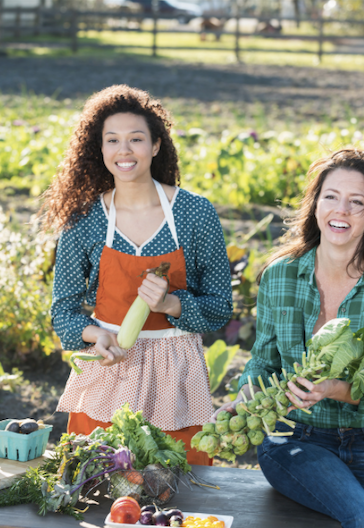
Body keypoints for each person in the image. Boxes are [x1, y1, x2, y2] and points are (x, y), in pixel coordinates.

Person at [213, 148, 364, 527]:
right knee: (363, 519)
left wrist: (332, 388)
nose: (341, 211)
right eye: (331, 197)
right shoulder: (281, 275)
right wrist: (244, 399)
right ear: (316, 204)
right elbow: (264, 360)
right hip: (294, 436)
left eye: (356, 202)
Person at [41, 85, 233, 466]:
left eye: (136, 139)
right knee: (96, 487)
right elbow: (62, 311)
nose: (124, 150)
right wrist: (97, 335)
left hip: (176, 375)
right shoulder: (84, 220)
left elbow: (219, 307)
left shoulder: (195, 214)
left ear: (156, 145)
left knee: (180, 491)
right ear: (99, 149)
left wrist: (170, 303)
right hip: (109, 368)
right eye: (112, 140)